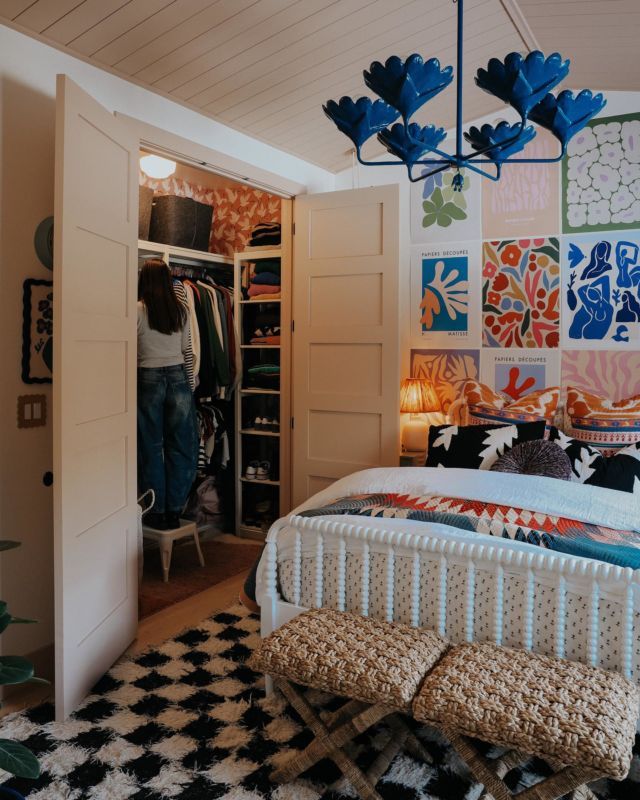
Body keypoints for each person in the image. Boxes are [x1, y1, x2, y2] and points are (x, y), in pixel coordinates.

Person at [137, 258, 198, 530]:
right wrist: (189, 384)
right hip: (177, 376)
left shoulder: (137, 310)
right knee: (182, 446)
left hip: (147, 376)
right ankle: (175, 508)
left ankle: (155, 510)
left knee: (151, 446)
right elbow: (187, 351)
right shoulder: (181, 310)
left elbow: (128, 351)